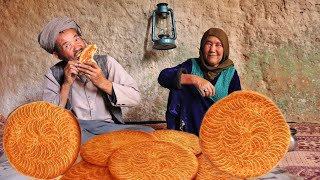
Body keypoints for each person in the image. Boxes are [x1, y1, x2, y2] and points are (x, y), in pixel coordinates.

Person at [38, 18, 154, 143]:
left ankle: (99, 145)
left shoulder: (107, 62)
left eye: (77, 39)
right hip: (76, 129)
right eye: (67, 45)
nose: (77, 47)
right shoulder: (54, 73)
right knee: (60, 140)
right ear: (57, 55)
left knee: (148, 133)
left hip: (109, 127)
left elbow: (135, 97)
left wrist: (103, 82)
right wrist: (66, 84)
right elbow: (49, 117)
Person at [158, 28, 242, 136]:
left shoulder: (230, 73)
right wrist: (194, 79)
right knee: (179, 82)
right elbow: (163, 77)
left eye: (218, 45)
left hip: (217, 134)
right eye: (209, 44)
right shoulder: (192, 65)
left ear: (224, 49)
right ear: (202, 47)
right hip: (189, 132)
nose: (212, 49)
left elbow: (238, 107)